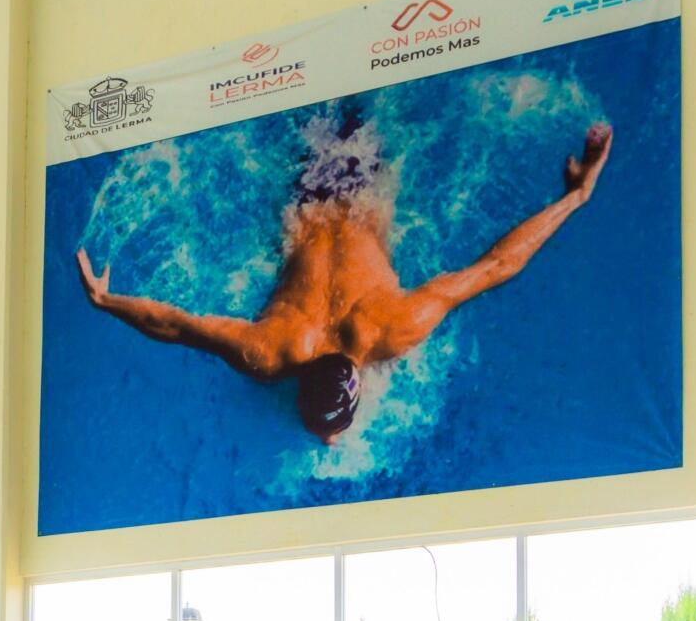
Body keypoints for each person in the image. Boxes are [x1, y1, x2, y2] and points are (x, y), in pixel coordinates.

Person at [76, 108, 613, 441]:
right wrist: (106, 300)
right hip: (316, 192)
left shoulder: (378, 329)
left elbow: (177, 325)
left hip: (357, 194)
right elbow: (178, 326)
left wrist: (577, 196)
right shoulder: (282, 347)